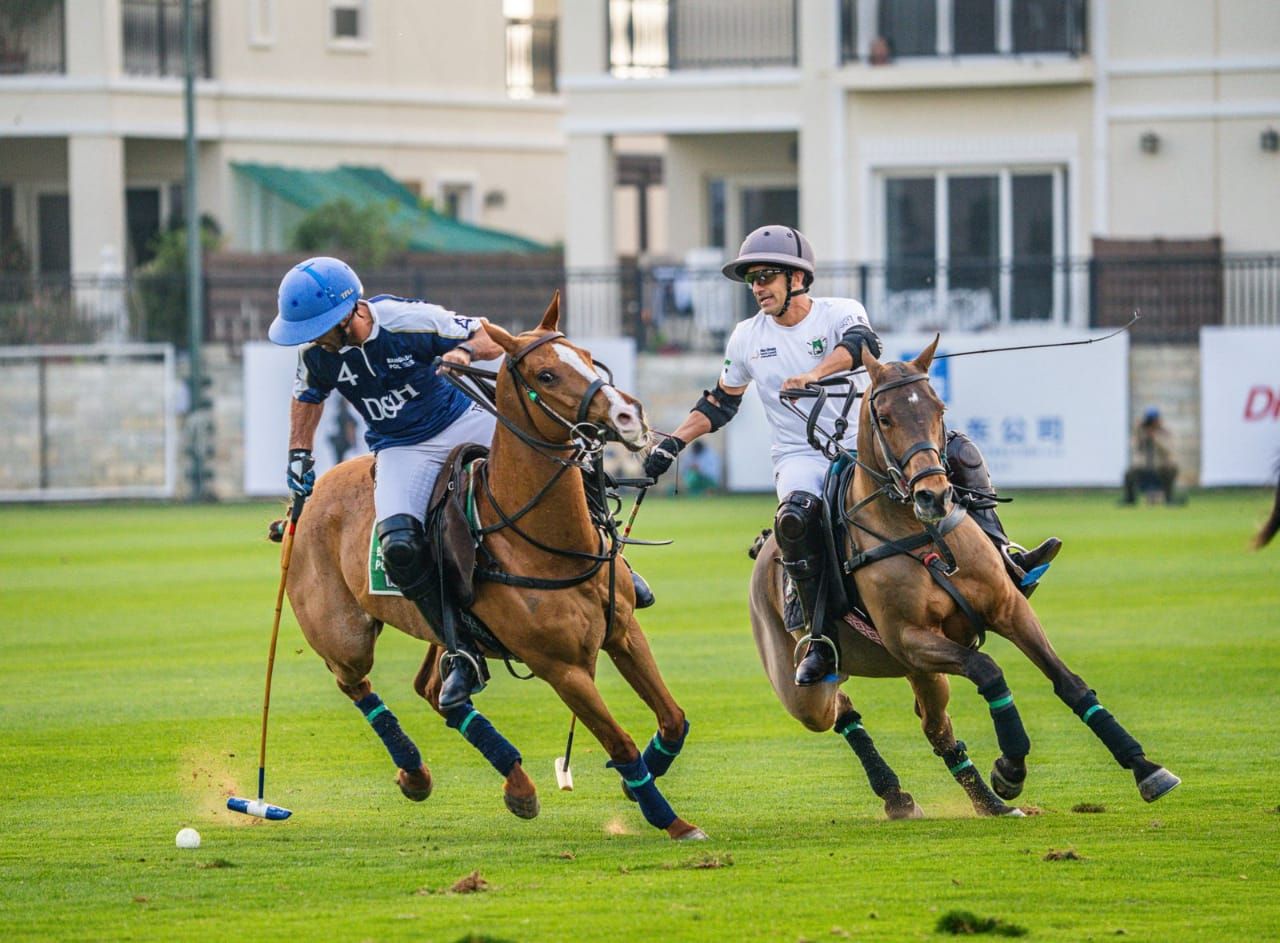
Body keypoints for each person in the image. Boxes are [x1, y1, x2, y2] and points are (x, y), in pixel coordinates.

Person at [642, 225, 1060, 686]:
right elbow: (721, 401)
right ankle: (818, 636)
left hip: (869, 445)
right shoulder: (745, 337)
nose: (757, 287)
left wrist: (812, 374)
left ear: (796, 278)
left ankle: (1006, 556)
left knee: (960, 451)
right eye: (752, 279)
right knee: (796, 519)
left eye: (766, 276)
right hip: (801, 455)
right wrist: (672, 443)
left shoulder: (840, 312)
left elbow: (863, 347)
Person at [269, 257, 653, 711]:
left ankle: (616, 567)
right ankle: (459, 648)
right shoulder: (318, 353)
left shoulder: (406, 320)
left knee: (558, 457)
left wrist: (463, 353)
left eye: (321, 327)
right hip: (400, 448)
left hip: (460, 421)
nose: (314, 338)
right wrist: (299, 454)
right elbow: (307, 397)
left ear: (351, 311)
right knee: (399, 546)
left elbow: (489, 335)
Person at [1122, 407, 1181, 505]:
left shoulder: (1165, 432)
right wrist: (1139, 432)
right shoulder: (1140, 432)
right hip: (1144, 467)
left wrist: (1155, 438)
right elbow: (1134, 446)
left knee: (1171, 469)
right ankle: (1130, 499)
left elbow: (1169, 450)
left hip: (1161, 467)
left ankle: (1169, 498)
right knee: (1129, 473)